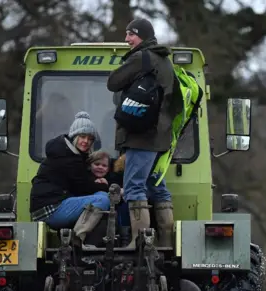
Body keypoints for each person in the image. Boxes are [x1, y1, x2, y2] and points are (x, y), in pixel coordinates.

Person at [106, 17, 183, 248]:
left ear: (144, 36)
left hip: (142, 137)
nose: (127, 39)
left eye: (132, 34)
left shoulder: (142, 57)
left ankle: (140, 242)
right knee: (156, 186)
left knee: (133, 187)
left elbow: (113, 82)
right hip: (160, 137)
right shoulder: (165, 62)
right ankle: (166, 242)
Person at [29, 111, 110, 243]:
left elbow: (81, 182)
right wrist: (104, 185)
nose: (86, 142)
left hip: (58, 203)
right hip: (49, 209)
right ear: (74, 136)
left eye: (90, 139)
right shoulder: (66, 156)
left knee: (101, 195)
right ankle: (77, 240)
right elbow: (82, 187)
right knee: (103, 200)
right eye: (83, 136)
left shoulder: (71, 154)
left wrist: (99, 186)